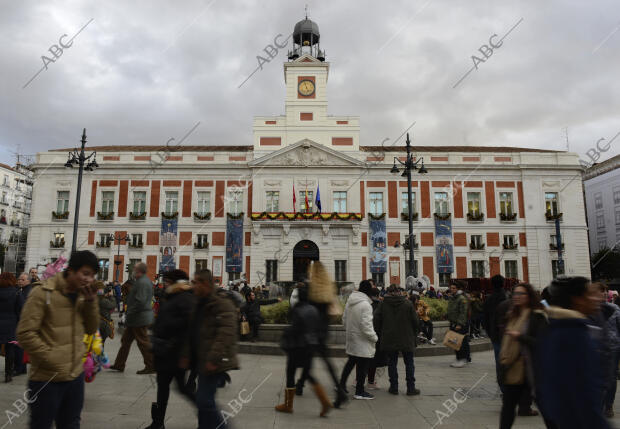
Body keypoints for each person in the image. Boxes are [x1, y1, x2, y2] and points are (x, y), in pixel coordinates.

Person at [17, 251, 99, 428]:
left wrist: (92, 302)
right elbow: (25, 333)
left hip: (75, 376)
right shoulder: (43, 292)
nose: (88, 279)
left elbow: (91, 329)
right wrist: (52, 358)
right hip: (47, 378)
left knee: (71, 424)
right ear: (70, 270)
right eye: (85, 273)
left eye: (92, 276)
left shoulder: (83, 295)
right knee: (41, 424)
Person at [536, 276, 610, 429]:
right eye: (590, 294)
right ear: (577, 299)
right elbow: (583, 393)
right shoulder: (573, 332)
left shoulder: (561, 327)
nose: (596, 297)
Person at [181, 269, 238, 429]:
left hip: (214, 361)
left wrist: (214, 357)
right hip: (201, 359)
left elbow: (226, 332)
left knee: (204, 400)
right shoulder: (198, 302)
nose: (193, 285)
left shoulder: (221, 303)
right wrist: (186, 355)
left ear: (206, 283)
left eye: (196, 282)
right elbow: (191, 331)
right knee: (203, 399)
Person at [148, 269, 196, 429]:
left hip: (174, 352)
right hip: (165, 351)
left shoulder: (185, 298)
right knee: (164, 387)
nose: (164, 284)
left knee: (182, 388)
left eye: (167, 281)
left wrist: (185, 354)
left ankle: (210, 415)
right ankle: (158, 422)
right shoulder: (172, 296)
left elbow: (189, 327)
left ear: (176, 282)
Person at [275, 282, 332, 416]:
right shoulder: (314, 310)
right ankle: (324, 402)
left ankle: (288, 405)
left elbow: (295, 329)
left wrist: (286, 332)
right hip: (311, 347)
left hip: (297, 347)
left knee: (290, 373)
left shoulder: (296, 310)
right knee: (309, 375)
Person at [498, 283, 549, 429]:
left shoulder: (537, 316)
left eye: (521, 294)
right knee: (507, 408)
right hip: (513, 368)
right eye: (515, 294)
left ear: (529, 296)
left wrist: (520, 336)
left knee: (546, 410)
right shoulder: (512, 315)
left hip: (533, 369)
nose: (517, 297)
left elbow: (543, 342)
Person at [375, 284, 420, 395]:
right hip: (407, 337)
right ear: (399, 292)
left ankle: (394, 387)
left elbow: (376, 321)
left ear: (388, 292)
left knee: (392, 363)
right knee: (409, 363)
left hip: (389, 338)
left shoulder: (382, 304)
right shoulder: (408, 304)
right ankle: (411, 388)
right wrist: (414, 334)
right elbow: (416, 322)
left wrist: (380, 333)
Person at [110, 263, 155, 374]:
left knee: (142, 342)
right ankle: (119, 364)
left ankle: (151, 365)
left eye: (134, 269)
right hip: (136, 318)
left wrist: (130, 311)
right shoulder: (141, 281)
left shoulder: (143, 282)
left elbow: (140, 301)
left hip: (139, 317)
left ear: (139, 271)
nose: (133, 271)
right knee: (125, 341)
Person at [337, 280, 378, 400]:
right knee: (363, 366)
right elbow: (366, 326)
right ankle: (359, 391)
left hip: (352, 338)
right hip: (363, 340)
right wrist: (374, 337)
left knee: (351, 363)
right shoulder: (365, 305)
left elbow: (344, 320)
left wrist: (350, 331)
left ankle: (341, 385)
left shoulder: (350, 302)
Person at [593, 283, 620, 418]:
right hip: (596, 349)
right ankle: (598, 404)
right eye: (600, 291)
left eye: (605, 291)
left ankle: (608, 406)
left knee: (611, 377)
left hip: (613, 347)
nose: (603, 293)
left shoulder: (614, 308)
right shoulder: (590, 309)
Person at [483, 275, 508, 388]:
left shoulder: (489, 299)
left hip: (496, 335)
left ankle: (502, 386)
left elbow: (485, 318)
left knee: (499, 361)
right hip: (508, 335)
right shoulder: (508, 298)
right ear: (503, 283)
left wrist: (490, 332)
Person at [0, 273, 22, 383]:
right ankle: (8, 375)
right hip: (11, 325)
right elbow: (19, 310)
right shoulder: (17, 293)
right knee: (10, 349)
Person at [447, 281, 470, 367]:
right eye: (451, 288)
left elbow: (463, 312)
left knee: (460, 343)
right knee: (454, 343)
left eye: (454, 288)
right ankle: (458, 358)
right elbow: (451, 309)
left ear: (458, 289)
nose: (452, 290)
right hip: (453, 323)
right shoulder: (453, 298)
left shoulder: (461, 298)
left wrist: (459, 324)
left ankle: (462, 359)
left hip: (459, 324)